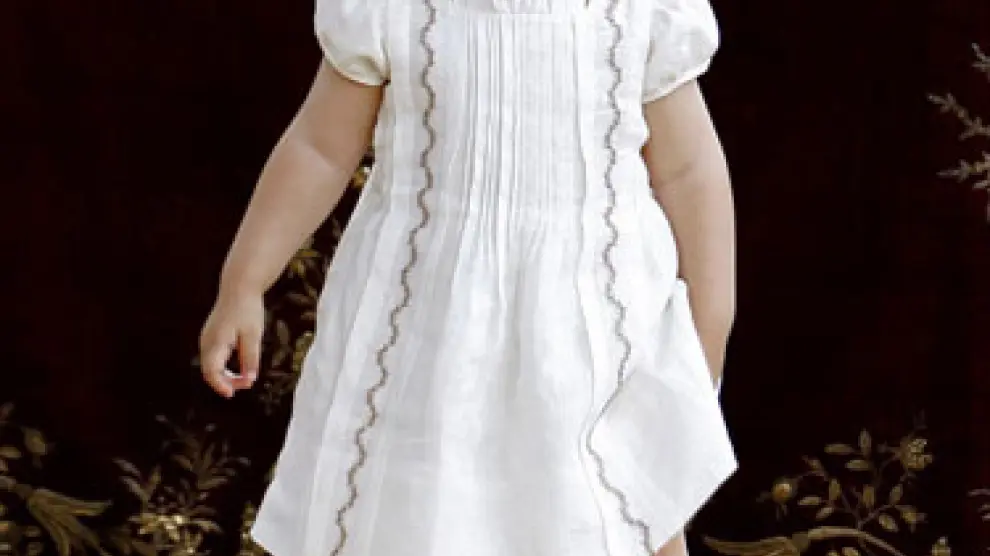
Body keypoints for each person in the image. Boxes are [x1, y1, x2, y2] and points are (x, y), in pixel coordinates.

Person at [197, 0, 738, 554]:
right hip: (427, 341)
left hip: (601, 336)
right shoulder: (394, 11)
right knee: (421, 510)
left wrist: (711, 321)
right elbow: (320, 149)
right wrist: (244, 281)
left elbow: (688, 169)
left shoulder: (638, 12)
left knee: (624, 510)